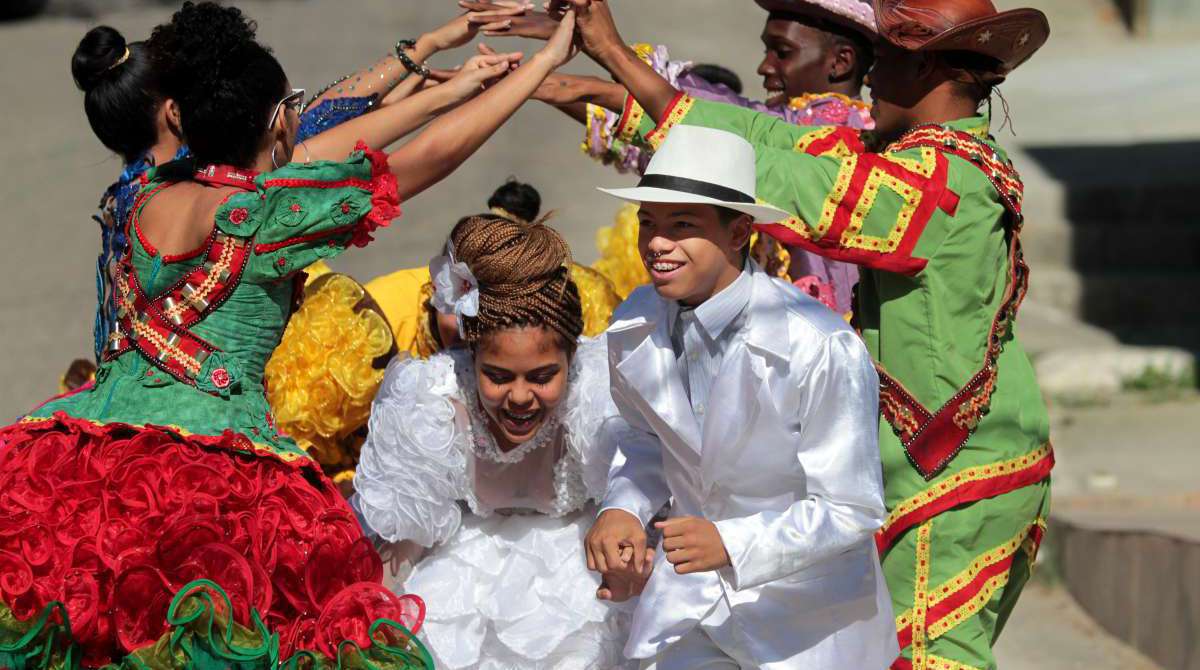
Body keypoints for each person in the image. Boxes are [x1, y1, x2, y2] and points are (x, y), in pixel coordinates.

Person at [0, 1, 579, 665]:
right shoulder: (263, 212)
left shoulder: (139, 196)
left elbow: (327, 140)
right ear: (276, 123)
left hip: (87, 461)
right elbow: (427, 158)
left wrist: (441, 79)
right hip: (210, 480)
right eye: (292, 107)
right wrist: (539, 66)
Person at [558, 0, 1056, 667]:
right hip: (941, 465)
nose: (872, 74)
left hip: (962, 469)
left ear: (930, 66)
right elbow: (766, 145)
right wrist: (615, 63)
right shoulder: (917, 159)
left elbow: (805, 184)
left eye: (887, 58)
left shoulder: (945, 178)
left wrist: (620, 63)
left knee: (935, 657)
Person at [581, 122, 897, 665]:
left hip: (808, 620)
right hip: (692, 607)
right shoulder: (635, 321)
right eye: (647, 223)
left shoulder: (818, 344)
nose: (657, 243)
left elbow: (851, 506)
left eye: (682, 225)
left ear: (739, 233)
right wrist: (623, 509)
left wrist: (731, 542)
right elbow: (645, 440)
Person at [70, 2, 531, 370]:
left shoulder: (137, 194)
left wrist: (427, 54)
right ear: (175, 112)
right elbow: (326, 137)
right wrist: (477, 79)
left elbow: (312, 125)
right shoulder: (230, 193)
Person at [461, 0, 877, 313]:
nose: (764, 66)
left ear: (841, 62)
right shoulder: (777, 125)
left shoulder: (847, 134)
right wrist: (550, 78)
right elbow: (663, 130)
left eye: (781, 52)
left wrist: (598, 57)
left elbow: (700, 118)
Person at [353, 215, 632, 669]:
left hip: (579, 578)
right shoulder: (433, 405)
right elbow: (407, 539)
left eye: (543, 377)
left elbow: (638, 495)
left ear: (573, 356)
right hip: (461, 580)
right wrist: (369, 614)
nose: (520, 397)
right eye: (497, 377)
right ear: (471, 355)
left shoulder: (597, 394)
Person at [263, 179, 621, 487]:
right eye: (464, 308)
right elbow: (295, 453)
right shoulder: (361, 331)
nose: (474, 331)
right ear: (440, 287)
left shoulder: (575, 311)